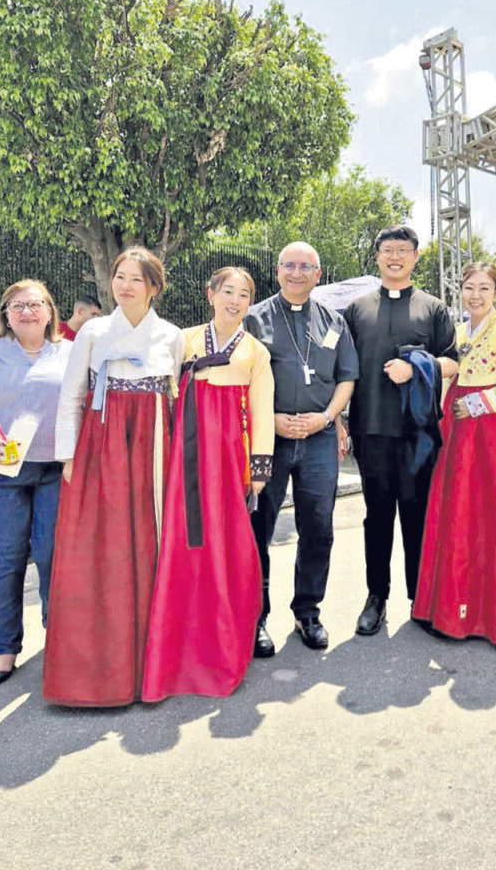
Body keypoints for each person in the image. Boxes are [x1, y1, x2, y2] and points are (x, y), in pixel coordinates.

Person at [43, 248, 184, 707]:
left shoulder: (171, 335)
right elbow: (72, 396)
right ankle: (95, 669)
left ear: (154, 287)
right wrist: (68, 455)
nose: (124, 285)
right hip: (101, 443)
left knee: (148, 543)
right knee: (99, 547)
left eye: (136, 279)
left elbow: (174, 396)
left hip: (153, 444)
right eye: (119, 277)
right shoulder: (93, 331)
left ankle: (152, 661)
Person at [143, 268, 275, 699]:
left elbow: (261, 408)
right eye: (228, 292)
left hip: (230, 454)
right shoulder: (183, 340)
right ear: (210, 294)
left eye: (244, 295)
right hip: (186, 454)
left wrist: (259, 470)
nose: (235, 301)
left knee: (227, 543)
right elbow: (161, 390)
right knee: (184, 541)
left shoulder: (255, 351)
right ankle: (178, 642)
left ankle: (227, 635)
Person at [343, 225, 458, 636]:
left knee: (416, 516)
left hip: (418, 434)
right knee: (376, 518)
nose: (395, 256)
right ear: (377, 256)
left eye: (403, 250)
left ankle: (420, 598)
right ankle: (376, 598)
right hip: (371, 429)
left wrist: (417, 366)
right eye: (387, 250)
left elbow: (452, 363)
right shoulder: (356, 309)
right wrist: (340, 420)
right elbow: (344, 370)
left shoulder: (433, 308)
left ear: (415, 256)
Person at [245, 242, 359, 654]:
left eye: (305, 266)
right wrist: (270, 419)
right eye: (289, 265)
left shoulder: (334, 322)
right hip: (267, 437)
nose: (296, 273)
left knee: (318, 528)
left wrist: (327, 418)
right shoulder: (254, 318)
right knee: (258, 528)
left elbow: (347, 377)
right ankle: (255, 617)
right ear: (277, 271)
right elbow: (241, 379)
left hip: (319, 438)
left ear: (318, 272)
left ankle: (307, 611)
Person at [413, 263, 496, 645]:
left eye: (484, 288)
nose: (476, 295)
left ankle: (494, 617)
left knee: (494, 514)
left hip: (494, 433)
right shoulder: (458, 332)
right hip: (459, 429)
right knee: (457, 512)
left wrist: (481, 403)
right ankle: (449, 609)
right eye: (469, 287)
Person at [0, 280, 72, 686]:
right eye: (16, 305)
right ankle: (4, 648)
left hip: (54, 470)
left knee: (53, 557)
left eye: (34, 304)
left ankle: (58, 639)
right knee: (6, 559)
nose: (26, 311)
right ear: (5, 314)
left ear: (50, 311)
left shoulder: (69, 353)